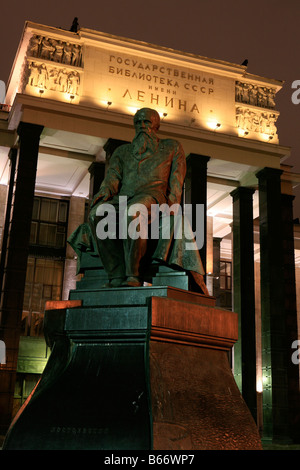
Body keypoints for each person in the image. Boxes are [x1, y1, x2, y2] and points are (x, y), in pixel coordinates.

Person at [68, 107, 208, 293]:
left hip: (153, 197)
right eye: (138, 122)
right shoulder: (122, 152)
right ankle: (116, 274)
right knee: (97, 215)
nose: (142, 126)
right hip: (123, 198)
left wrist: (173, 204)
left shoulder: (171, 147)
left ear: (156, 125)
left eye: (147, 122)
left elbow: (176, 180)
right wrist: (102, 195)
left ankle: (133, 274)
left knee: (134, 212)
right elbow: (112, 179)